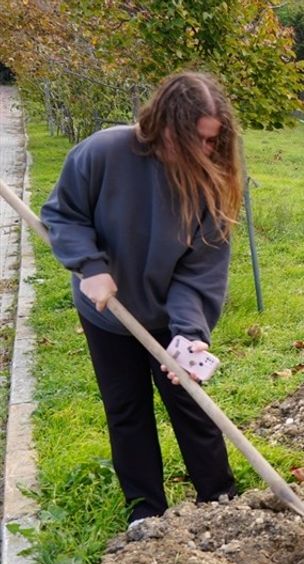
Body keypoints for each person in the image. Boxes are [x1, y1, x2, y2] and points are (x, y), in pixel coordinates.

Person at [41, 71, 243, 525]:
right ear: (165, 126)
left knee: (190, 405)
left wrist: (189, 334)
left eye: (214, 142)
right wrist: (90, 267)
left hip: (168, 317)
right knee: (126, 409)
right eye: (199, 141)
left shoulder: (208, 183)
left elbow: (199, 270)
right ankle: (145, 513)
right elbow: (63, 214)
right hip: (105, 312)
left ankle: (223, 503)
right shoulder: (104, 152)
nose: (208, 152)